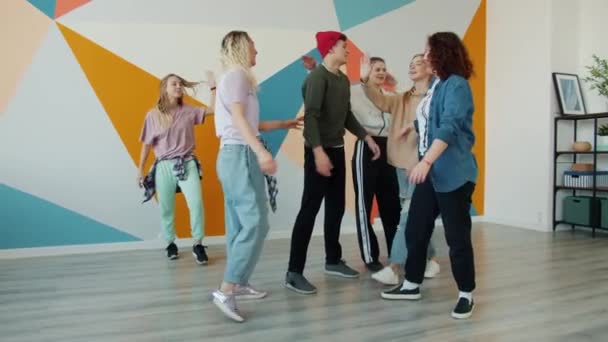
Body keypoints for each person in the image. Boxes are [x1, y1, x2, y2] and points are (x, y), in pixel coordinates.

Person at [381, 32, 478, 320]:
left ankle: (466, 294)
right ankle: (411, 284)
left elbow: (448, 126)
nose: (424, 56)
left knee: (456, 236)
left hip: (454, 174)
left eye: (428, 51)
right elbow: (429, 115)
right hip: (433, 172)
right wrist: (410, 127)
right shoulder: (437, 85)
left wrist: (425, 162)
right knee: (415, 228)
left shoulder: (457, 85)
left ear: (442, 53)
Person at [210, 30, 303, 322]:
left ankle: (238, 282)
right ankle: (226, 290)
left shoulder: (238, 80)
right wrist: (262, 153)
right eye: (252, 46)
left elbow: (251, 121)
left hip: (240, 154)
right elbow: (237, 120)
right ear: (240, 48)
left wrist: (284, 123)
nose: (257, 51)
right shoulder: (236, 76)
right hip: (237, 155)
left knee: (240, 224)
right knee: (255, 222)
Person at [285, 31, 381, 295]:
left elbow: (346, 115)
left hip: (336, 150)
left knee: (336, 207)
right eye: (343, 47)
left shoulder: (340, 80)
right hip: (319, 151)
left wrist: (366, 137)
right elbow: (312, 117)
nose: (348, 51)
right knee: (309, 209)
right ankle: (294, 272)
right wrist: (318, 152)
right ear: (330, 49)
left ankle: (332, 260)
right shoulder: (318, 78)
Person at [357, 54, 441, 286]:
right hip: (400, 164)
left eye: (418, 62)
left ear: (431, 69)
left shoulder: (435, 97)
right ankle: (432, 258)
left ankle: (394, 266)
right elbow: (380, 101)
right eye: (410, 63)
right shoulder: (401, 98)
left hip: (421, 166)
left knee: (406, 216)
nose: (412, 66)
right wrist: (365, 82)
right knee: (414, 215)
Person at [138, 72, 216, 265]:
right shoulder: (153, 115)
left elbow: (213, 109)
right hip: (164, 165)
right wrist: (140, 169)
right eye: (174, 84)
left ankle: (198, 244)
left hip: (187, 162)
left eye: (180, 84)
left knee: (196, 204)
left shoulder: (189, 111)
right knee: (166, 208)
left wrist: (213, 87)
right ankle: (170, 243)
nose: (179, 87)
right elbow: (147, 145)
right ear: (165, 88)